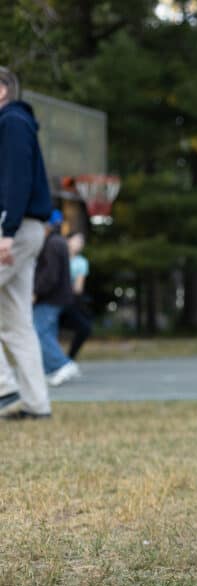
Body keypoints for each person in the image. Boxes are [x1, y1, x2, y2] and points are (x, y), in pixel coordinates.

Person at [0, 66, 53, 420]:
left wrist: (6, 231)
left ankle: (4, 385)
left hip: (14, 228)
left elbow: (16, 179)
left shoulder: (12, 122)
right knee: (16, 319)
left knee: (16, 319)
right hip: (24, 228)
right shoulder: (15, 123)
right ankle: (36, 404)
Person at [33, 209, 80, 387]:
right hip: (58, 296)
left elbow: (50, 275)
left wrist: (36, 291)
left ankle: (61, 364)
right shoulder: (59, 242)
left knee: (39, 331)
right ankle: (50, 369)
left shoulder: (52, 244)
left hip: (51, 297)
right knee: (48, 332)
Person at [60, 230, 92, 361]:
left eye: (82, 241)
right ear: (68, 240)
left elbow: (78, 288)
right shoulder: (57, 256)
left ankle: (69, 360)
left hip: (69, 302)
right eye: (78, 240)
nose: (81, 244)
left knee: (85, 328)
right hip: (50, 300)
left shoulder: (81, 262)